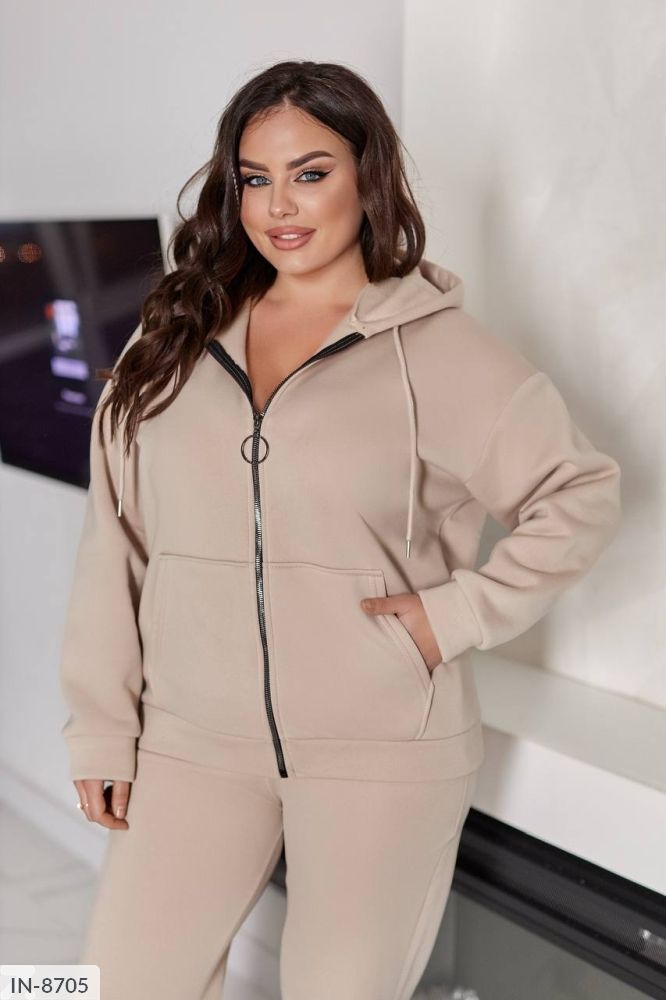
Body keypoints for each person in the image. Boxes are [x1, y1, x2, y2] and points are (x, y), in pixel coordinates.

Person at [58, 59, 622, 1000]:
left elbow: (581, 490)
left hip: (381, 754)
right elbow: (115, 542)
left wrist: (453, 616)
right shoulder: (173, 340)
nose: (279, 205)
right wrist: (103, 728)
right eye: (255, 178)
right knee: (109, 986)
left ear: (369, 179)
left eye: (311, 172)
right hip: (190, 742)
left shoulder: (438, 350)